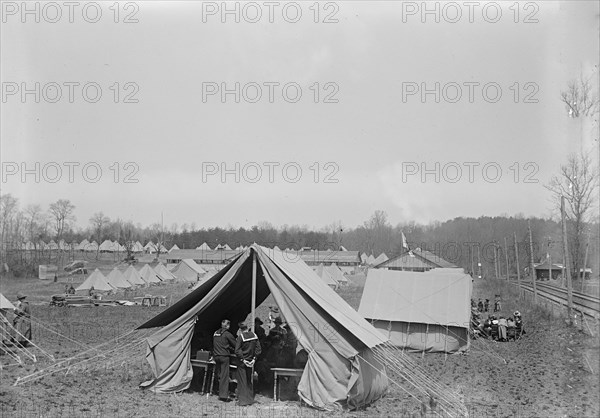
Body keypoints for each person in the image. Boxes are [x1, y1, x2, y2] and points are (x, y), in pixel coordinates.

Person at [235, 322, 262, 406]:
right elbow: (258, 349)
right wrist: (254, 359)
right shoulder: (254, 335)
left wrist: (243, 359)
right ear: (248, 328)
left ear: (240, 330)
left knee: (242, 380)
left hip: (243, 362)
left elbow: (237, 350)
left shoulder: (241, 337)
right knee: (248, 380)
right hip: (251, 361)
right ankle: (250, 399)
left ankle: (243, 401)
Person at [213, 319, 237, 402]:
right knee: (224, 376)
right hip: (224, 356)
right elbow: (235, 345)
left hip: (216, 356)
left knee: (218, 374)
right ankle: (223, 395)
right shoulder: (227, 334)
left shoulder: (215, 333)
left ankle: (217, 390)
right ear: (227, 326)